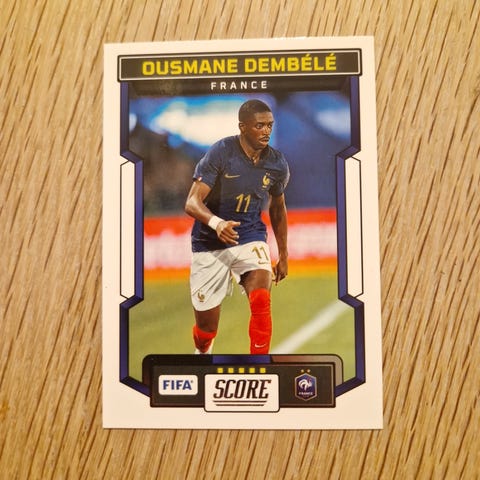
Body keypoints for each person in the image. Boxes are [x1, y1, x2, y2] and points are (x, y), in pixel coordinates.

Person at [184, 99, 289, 355]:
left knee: (261, 298)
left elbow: (277, 207)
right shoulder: (221, 152)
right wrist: (217, 223)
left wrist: (283, 255)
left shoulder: (276, 163)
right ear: (243, 127)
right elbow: (192, 202)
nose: (266, 131)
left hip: (250, 235)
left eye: (270, 125)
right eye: (259, 126)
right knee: (206, 331)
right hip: (210, 243)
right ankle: (203, 349)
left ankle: (259, 366)